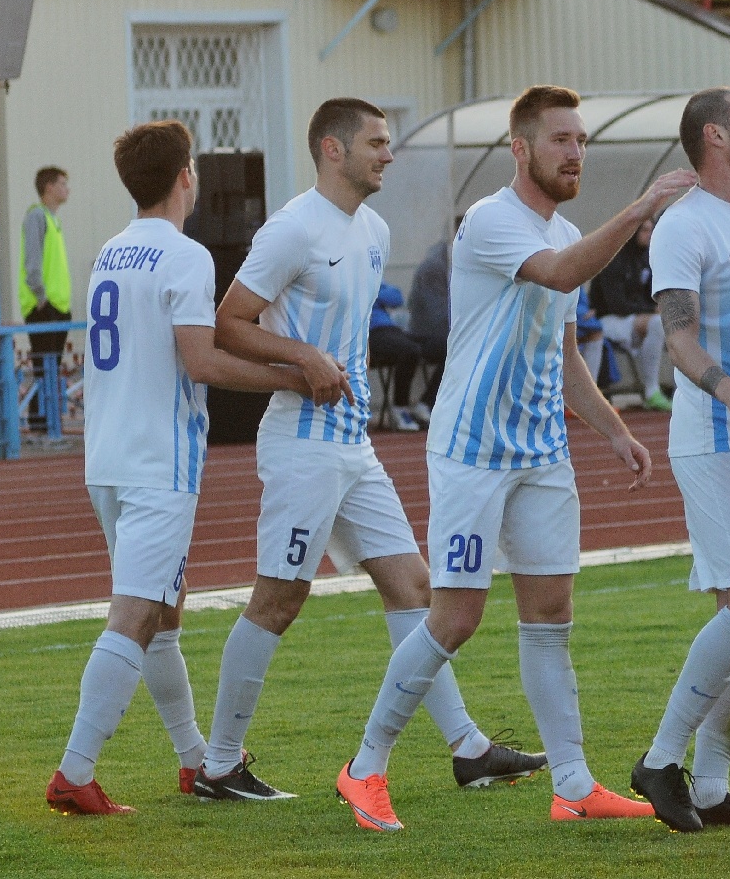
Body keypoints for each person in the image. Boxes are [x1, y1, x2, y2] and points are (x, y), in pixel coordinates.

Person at [335, 85, 697, 832]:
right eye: (561, 139)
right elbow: (558, 274)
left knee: (551, 614)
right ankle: (364, 768)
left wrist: (613, 430)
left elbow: (562, 351)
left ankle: (573, 785)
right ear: (521, 148)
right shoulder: (492, 220)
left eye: (581, 140)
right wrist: (640, 206)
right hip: (473, 451)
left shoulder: (564, 229)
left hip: (542, 452)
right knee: (456, 617)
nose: (575, 153)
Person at [194, 98, 546, 805]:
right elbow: (227, 324)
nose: (388, 154)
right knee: (279, 599)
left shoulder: (374, 229)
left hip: (353, 446)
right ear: (333, 149)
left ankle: (468, 749)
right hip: (302, 444)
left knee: (414, 588)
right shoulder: (292, 229)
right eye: (377, 142)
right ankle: (219, 765)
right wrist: (302, 358)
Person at [46, 120, 312, 815]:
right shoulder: (186, 256)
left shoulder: (110, 250)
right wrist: (290, 375)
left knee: (164, 610)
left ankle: (196, 760)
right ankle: (75, 771)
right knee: (137, 614)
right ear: (185, 176)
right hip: (157, 462)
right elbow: (201, 361)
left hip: (107, 457)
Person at [628, 86, 730, 833]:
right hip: (716, 434)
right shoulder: (683, 225)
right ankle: (660, 759)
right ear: (714, 136)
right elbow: (678, 336)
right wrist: (728, 390)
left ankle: (713, 786)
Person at [590, 218, 672, 411]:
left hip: (634, 319)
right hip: (608, 320)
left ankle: (672, 390)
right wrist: (650, 310)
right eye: (645, 230)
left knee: (669, 322)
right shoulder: (614, 258)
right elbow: (616, 305)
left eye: (652, 230)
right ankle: (651, 391)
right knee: (656, 323)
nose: (649, 235)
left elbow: (650, 294)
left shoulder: (646, 258)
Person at [19, 166, 72, 437]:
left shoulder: (53, 220)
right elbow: (33, 262)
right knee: (44, 368)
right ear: (49, 187)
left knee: (51, 368)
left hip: (58, 306)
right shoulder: (37, 217)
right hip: (44, 307)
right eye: (62, 183)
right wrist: (41, 297)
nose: (67, 189)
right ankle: (41, 424)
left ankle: (48, 423)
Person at [404, 228, 455, 424]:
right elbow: (436, 314)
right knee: (457, 348)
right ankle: (427, 403)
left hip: (438, 331)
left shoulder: (447, 261)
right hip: (422, 333)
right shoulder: (434, 267)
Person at [369, 283, 424, 431]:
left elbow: (396, 298)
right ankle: (400, 408)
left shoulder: (373, 279)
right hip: (371, 333)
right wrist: (375, 292)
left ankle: (425, 405)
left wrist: (373, 291)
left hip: (391, 330)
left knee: (440, 346)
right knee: (410, 351)